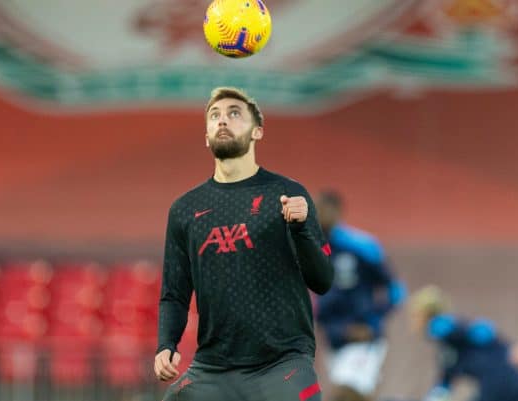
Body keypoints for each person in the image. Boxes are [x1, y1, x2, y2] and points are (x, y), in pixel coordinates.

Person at [154, 86, 335, 401]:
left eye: (234, 114)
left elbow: (323, 281)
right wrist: (165, 345)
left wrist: (301, 228)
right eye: (215, 116)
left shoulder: (287, 193)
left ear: (258, 132)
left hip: (282, 364)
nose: (223, 120)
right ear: (207, 135)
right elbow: (174, 294)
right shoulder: (184, 209)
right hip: (212, 369)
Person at [313, 190, 407, 401]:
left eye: (322, 208)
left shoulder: (360, 246)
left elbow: (396, 290)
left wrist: (372, 322)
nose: (318, 214)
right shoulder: (309, 248)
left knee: (346, 394)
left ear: (337, 212)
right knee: (358, 395)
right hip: (334, 339)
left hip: (363, 339)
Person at [409, 285, 518, 401]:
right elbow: (447, 377)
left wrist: (509, 349)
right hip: (514, 384)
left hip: (500, 384)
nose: (414, 321)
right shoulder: (449, 347)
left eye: (416, 315)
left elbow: (480, 332)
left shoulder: (444, 329)